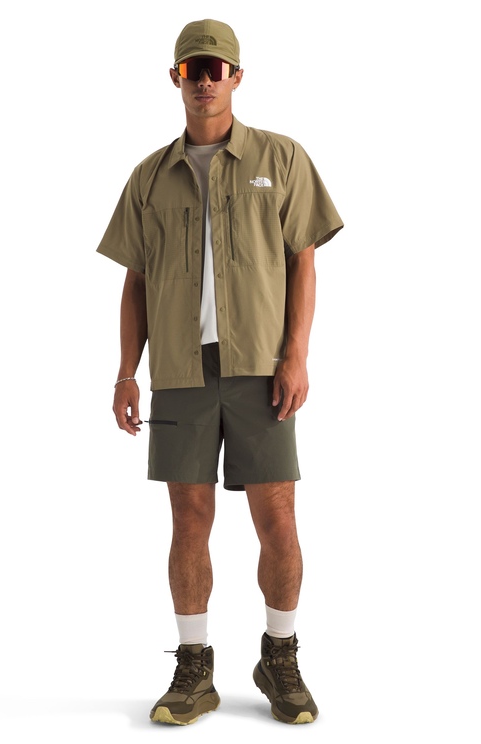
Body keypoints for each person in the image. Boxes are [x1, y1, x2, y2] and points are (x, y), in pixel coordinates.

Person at [96, 19, 344, 725]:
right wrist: (125, 372)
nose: (203, 80)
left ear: (237, 76)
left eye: (215, 68)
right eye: (191, 69)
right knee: (189, 517)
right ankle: (194, 667)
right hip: (179, 370)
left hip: (260, 366)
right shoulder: (149, 177)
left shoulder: (281, 158)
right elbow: (135, 281)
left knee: (277, 515)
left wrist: (296, 355)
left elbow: (303, 260)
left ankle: (280, 656)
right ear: (175, 78)